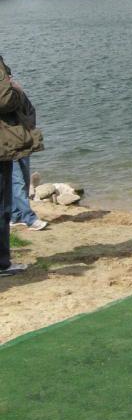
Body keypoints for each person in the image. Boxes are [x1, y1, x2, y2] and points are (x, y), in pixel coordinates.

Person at [1, 54, 39, 276]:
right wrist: (17, 89)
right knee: (3, 203)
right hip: (4, 143)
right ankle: (2, 263)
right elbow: (4, 100)